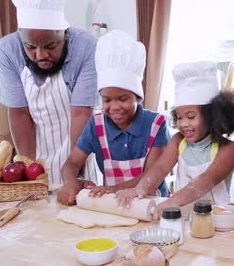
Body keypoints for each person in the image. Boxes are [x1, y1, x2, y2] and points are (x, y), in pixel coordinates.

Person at [0, 0, 98, 185]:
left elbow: (81, 113)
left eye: (51, 46)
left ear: (65, 34)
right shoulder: (7, 50)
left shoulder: (86, 47)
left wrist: (72, 174)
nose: (41, 55)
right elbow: (19, 114)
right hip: (37, 153)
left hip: (80, 153)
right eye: (30, 47)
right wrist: (31, 171)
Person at [116, 62, 234, 219]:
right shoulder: (179, 141)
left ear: (213, 116)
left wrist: (173, 201)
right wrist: (140, 188)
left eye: (191, 116)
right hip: (183, 216)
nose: (183, 124)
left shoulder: (228, 149)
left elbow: (205, 180)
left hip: (217, 220)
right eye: (179, 116)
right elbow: (160, 168)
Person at [57, 30, 170, 206]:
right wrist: (71, 182)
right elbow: (72, 163)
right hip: (115, 204)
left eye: (123, 99)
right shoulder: (97, 125)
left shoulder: (156, 124)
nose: (114, 107)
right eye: (107, 100)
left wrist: (110, 189)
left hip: (151, 204)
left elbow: (152, 175)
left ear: (137, 97)